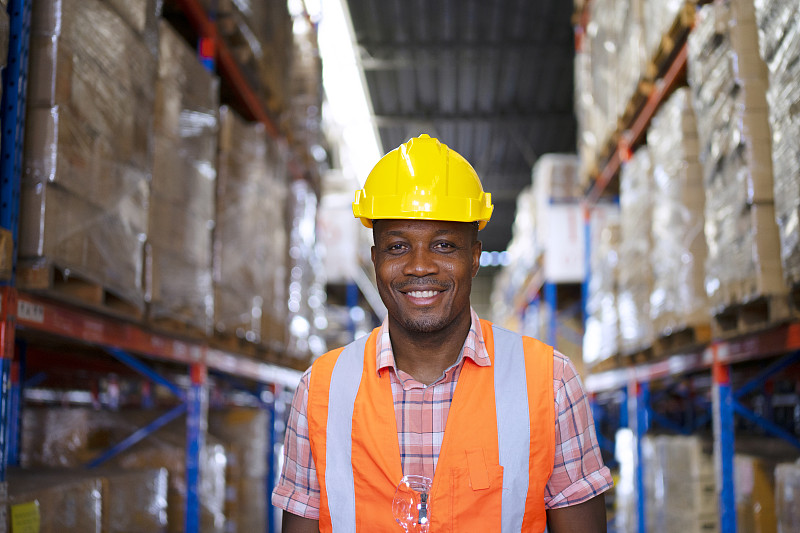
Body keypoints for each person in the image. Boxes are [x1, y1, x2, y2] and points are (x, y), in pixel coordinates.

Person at [273, 134, 613, 532]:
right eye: (398, 247)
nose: (420, 266)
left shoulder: (550, 384)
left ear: (474, 257)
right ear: (375, 258)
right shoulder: (321, 392)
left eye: (444, 245)